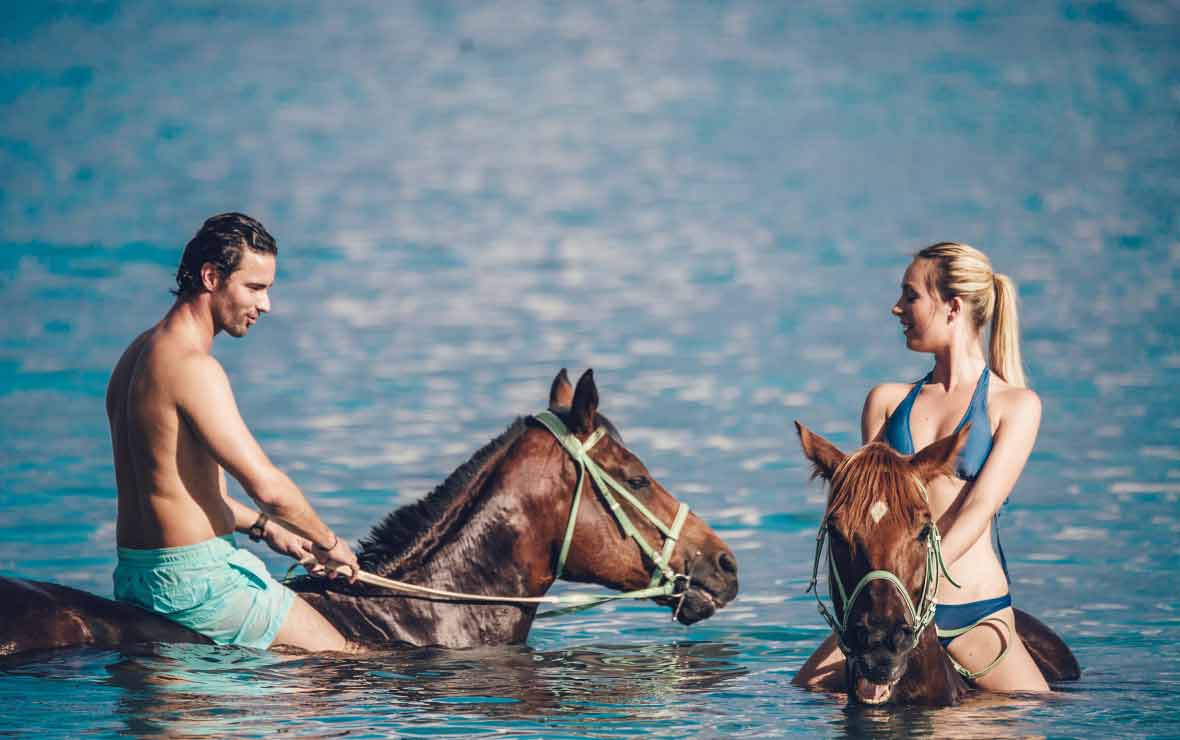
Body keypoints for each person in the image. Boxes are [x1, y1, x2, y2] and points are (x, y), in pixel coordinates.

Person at [794, 241, 1049, 692]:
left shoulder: (1016, 405)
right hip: (889, 605)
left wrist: (924, 586)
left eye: (910, 296)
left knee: (1033, 712)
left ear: (952, 307)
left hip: (973, 614)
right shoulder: (886, 402)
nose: (897, 309)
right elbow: (862, 514)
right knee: (802, 689)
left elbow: (980, 507)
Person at [106, 212, 360, 652]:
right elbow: (269, 488)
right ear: (211, 277)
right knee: (347, 665)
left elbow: (176, 490)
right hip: (197, 581)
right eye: (255, 288)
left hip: (136, 573)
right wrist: (330, 543)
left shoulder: (136, 355)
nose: (266, 305)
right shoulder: (194, 368)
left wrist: (266, 528)